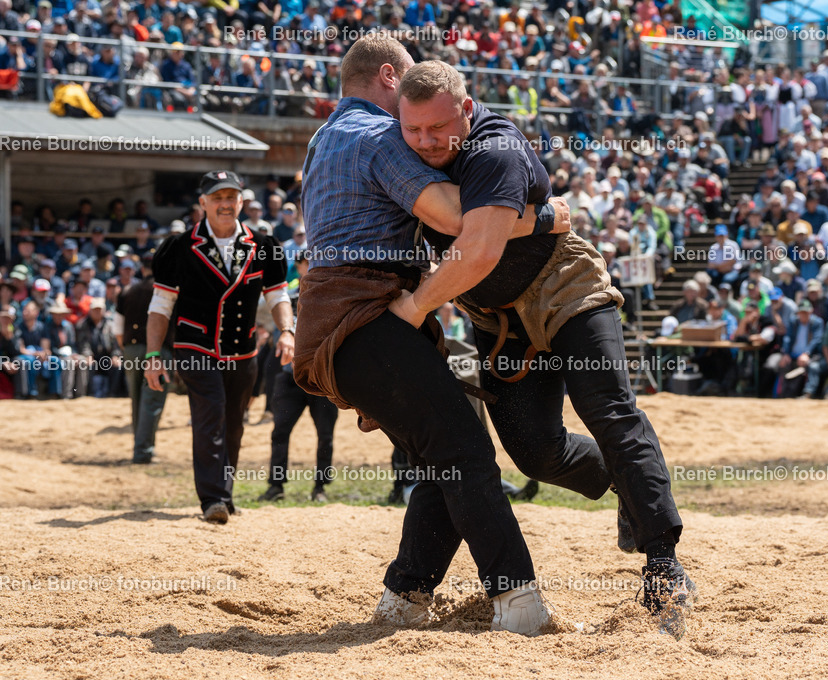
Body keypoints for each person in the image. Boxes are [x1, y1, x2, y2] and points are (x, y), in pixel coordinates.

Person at [395, 59, 695, 639]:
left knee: (606, 408)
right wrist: (540, 217)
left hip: (565, 288)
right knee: (534, 451)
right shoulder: (400, 148)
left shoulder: (496, 150)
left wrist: (413, 310)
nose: (426, 142)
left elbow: (477, 248)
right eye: (413, 130)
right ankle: (629, 483)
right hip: (497, 319)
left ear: (466, 108)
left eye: (438, 129)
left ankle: (663, 560)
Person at [292, 34, 569, 637]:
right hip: (367, 321)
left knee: (443, 459)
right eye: (412, 87)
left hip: (341, 324)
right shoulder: (377, 135)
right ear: (390, 76)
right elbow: (454, 218)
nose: (418, 120)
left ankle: (405, 596)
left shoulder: (324, 137)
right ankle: (517, 600)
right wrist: (540, 213)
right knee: (465, 454)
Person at [144, 170, 293, 525]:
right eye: (218, 198)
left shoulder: (265, 247)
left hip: (242, 350)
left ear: (242, 202)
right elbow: (160, 307)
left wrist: (288, 330)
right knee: (211, 410)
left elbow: (278, 296)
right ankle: (213, 498)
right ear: (203, 204)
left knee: (234, 423)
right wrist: (152, 355)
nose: (225, 204)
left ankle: (223, 494)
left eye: (232, 197)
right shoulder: (178, 248)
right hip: (195, 346)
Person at [260, 256, 339, 504]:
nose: (308, 266)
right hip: (289, 379)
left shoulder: (332, 298)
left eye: (311, 261)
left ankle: (320, 487)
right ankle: (276, 485)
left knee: (325, 435)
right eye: (304, 263)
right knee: (279, 432)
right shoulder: (288, 299)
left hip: (321, 380)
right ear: (300, 267)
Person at [114, 250, 170, 464]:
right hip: (159, 351)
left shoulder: (128, 290)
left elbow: (117, 328)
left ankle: (140, 447)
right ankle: (143, 451)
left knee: (137, 399)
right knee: (153, 400)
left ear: (143, 268)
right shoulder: (167, 290)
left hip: (131, 348)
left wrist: (127, 349)